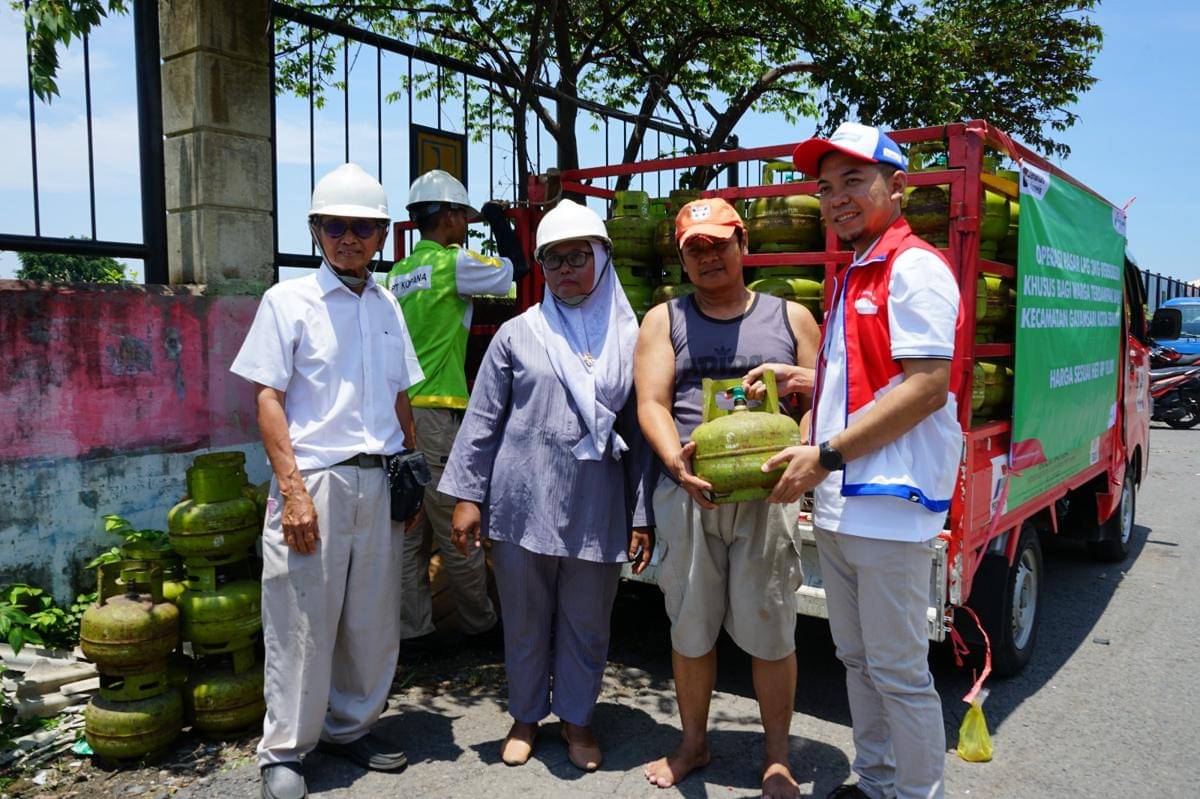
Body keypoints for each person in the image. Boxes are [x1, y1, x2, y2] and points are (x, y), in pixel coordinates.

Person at [754, 122, 964, 799]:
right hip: (846, 502)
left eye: (853, 180)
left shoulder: (916, 267)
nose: (836, 197)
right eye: (824, 186)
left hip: (891, 506)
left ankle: (915, 792)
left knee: (899, 669)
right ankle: (875, 782)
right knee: (856, 658)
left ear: (896, 186)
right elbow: (872, 381)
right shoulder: (855, 271)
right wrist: (805, 378)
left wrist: (825, 453)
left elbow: (929, 385)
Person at [438, 199, 655, 772]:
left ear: (603, 259)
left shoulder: (632, 341)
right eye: (553, 260)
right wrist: (467, 497)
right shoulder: (517, 334)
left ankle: (578, 721)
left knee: (588, 621)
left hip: (597, 503)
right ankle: (526, 717)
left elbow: (641, 430)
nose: (565, 270)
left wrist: (641, 513)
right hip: (520, 502)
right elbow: (483, 419)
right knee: (526, 618)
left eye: (577, 257)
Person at [230, 163, 423, 799]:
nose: (350, 237)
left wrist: (413, 471)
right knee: (302, 620)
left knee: (371, 620)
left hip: (379, 481)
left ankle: (351, 724)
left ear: (381, 234)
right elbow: (267, 399)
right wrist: (291, 491)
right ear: (315, 230)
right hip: (316, 481)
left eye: (363, 227)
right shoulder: (287, 302)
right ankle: (284, 749)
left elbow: (400, 398)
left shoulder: (389, 303)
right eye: (336, 226)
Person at [634, 197, 820, 799]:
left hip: (769, 498)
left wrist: (808, 459)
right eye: (696, 248)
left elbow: (821, 399)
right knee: (690, 627)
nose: (709, 256)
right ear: (683, 259)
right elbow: (652, 403)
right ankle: (693, 744)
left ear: (743, 244)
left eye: (719, 243)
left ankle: (776, 758)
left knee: (771, 625)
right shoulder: (664, 320)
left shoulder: (793, 317)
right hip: (691, 493)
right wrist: (673, 460)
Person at [386, 169, 529, 654]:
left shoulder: (397, 273)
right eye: (464, 217)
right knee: (455, 523)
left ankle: (413, 631)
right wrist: (499, 220)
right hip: (437, 411)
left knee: (410, 527)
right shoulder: (451, 264)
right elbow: (517, 271)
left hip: (399, 411)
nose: (466, 225)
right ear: (448, 216)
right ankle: (480, 625)